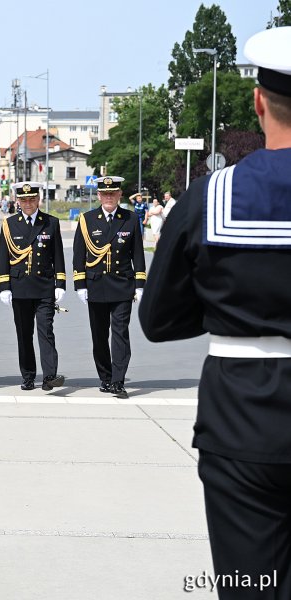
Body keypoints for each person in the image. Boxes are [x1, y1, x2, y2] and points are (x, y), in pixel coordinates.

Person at [140, 27, 291, 599]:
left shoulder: (211, 195)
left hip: (241, 418)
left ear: (258, 102)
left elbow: (157, 319)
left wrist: (226, 314)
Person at [73, 176, 146, 399]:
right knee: (99, 335)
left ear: (119, 195)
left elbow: (138, 254)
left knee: (120, 333)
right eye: (104, 194)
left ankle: (118, 380)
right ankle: (105, 377)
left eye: (112, 194)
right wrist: (80, 285)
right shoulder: (87, 220)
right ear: (98, 196)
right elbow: (79, 255)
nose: (108, 197)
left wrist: (140, 284)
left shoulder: (131, 219)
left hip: (123, 285)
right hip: (96, 285)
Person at [0, 182, 66, 391]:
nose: (28, 203)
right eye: (24, 200)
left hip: (44, 286)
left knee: (46, 331)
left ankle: (49, 376)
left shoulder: (51, 223)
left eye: (32, 199)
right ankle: (28, 375)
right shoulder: (9, 224)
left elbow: (58, 256)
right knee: (24, 334)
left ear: (39, 199)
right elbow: (4, 257)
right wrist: (4, 286)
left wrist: (60, 283)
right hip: (20, 287)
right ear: (18, 201)